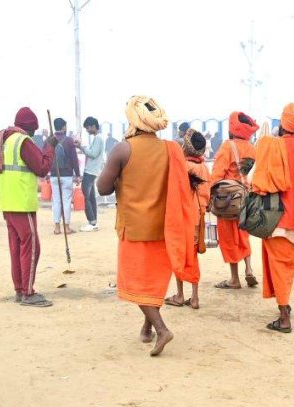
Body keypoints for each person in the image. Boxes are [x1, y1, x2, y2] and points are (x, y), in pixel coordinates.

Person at [96, 95, 198, 357]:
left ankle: (162, 329)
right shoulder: (170, 148)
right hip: (164, 226)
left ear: (133, 119)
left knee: (135, 282)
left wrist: (118, 178)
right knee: (152, 282)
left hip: (134, 228)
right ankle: (147, 328)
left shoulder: (123, 149)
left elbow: (103, 188)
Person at [254, 103, 294, 333]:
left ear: (283, 124)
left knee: (280, 266)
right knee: (286, 265)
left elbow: (255, 178)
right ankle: (285, 305)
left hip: (276, 218)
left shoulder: (274, 146)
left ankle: (283, 318)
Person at [0, 107, 57, 307]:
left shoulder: (2, 141)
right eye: (34, 131)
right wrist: (50, 147)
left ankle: (20, 290)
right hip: (21, 201)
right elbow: (42, 167)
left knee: (16, 247)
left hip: (8, 202)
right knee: (31, 245)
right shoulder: (23, 141)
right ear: (30, 129)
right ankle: (28, 293)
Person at [210, 111, 259, 289]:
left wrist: (209, 196)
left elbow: (217, 174)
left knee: (229, 238)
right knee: (243, 234)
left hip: (228, 200)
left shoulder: (227, 147)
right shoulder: (253, 148)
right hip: (247, 197)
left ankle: (234, 278)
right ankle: (249, 268)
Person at [165, 129, 210, 309]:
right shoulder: (204, 168)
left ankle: (180, 295)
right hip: (199, 217)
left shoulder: (183, 167)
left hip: (183, 217)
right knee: (192, 256)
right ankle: (195, 297)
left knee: (179, 254)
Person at [50, 117, 80, 235]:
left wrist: (47, 172)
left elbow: (45, 157)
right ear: (63, 127)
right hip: (67, 175)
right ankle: (67, 228)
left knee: (56, 201)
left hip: (53, 175)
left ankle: (57, 228)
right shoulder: (69, 141)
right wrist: (77, 174)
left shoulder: (50, 140)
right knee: (66, 201)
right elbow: (74, 159)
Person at [78, 116, 105, 231]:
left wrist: (81, 147)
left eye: (88, 128)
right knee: (91, 197)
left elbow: (93, 154)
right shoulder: (98, 138)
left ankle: (91, 223)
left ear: (93, 126)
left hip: (90, 171)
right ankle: (94, 222)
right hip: (92, 171)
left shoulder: (98, 138)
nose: (87, 130)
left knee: (87, 197)